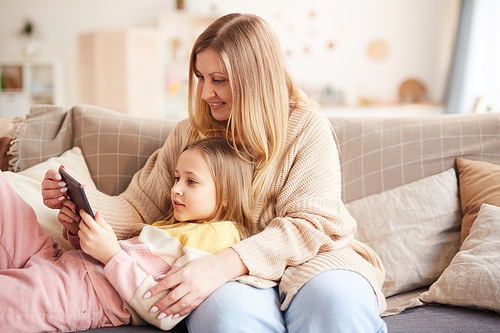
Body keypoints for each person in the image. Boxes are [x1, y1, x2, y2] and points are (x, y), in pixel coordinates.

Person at [42, 13, 388, 332]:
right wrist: (86, 206)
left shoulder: (306, 128)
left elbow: (311, 225)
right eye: (201, 78)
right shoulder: (190, 133)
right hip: (222, 273)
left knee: (334, 301)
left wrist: (228, 262)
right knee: (226, 314)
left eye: (218, 80)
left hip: (313, 261)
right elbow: (139, 206)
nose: (206, 93)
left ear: (256, 80)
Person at [0, 137, 254, 331]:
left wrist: (111, 254)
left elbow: (164, 311)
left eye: (191, 181)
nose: (175, 189)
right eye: (176, 178)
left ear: (226, 197)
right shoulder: (175, 224)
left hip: (83, 293)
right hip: (59, 261)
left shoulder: (219, 235)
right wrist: (79, 231)